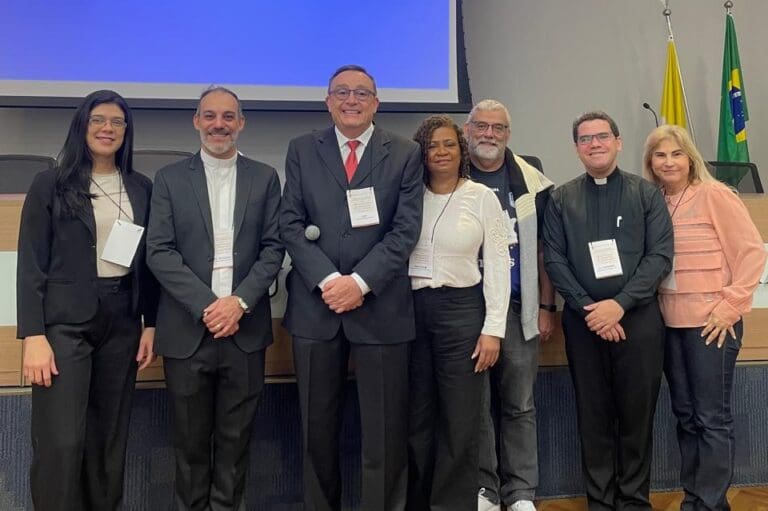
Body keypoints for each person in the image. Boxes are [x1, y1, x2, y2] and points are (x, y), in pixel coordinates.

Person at [279, 64, 423, 511]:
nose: (351, 100)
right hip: (315, 309)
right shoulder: (303, 149)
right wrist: (329, 281)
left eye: (362, 92)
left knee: (384, 433)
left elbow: (405, 230)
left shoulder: (403, 152)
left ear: (376, 102)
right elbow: (290, 222)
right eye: (341, 92)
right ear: (328, 101)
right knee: (316, 432)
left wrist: (359, 283)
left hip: (380, 308)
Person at [17, 89, 158, 511]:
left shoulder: (141, 187)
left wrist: (150, 323)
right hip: (64, 325)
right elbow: (31, 263)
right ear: (82, 125)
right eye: (98, 120)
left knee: (107, 439)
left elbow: (148, 261)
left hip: (122, 323)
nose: (107, 129)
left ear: (126, 132)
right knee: (62, 440)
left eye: (117, 122)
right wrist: (33, 335)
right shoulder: (51, 183)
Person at [146, 86, 283, 510]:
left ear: (241, 123)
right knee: (188, 443)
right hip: (189, 331)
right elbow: (159, 251)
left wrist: (237, 303)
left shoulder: (264, 177)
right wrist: (209, 305)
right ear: (196, 121)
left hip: (244, 330)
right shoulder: (169, 179)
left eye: (228, 117)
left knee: (236, 440)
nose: (218, 125)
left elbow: (273, 249)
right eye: (210, 116)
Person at [542, 111, 673, 510]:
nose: (594, 144)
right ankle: (599, 502)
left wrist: (618, 305)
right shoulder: (561, 198)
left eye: (602, 136)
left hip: (639, 321)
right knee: (593, 416)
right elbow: (555, 259)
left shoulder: (646, 193)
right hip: (584, 325)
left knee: (637, 419)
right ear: (577, 148)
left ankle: (633, 501)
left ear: (618, 142)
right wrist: (590, 310)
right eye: (585, 139)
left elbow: (659, 256)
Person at [642, 125, 766, 511]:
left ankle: (711, 505)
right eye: (660, 155)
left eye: (676, 154)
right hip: (670, 323)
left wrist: (728, 307)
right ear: (650, 163)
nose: (669, 162)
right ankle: (694, 499)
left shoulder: (714, 195)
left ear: (691, 158)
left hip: (712, 324)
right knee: (686, 416)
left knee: (711, 418)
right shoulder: (654, 201)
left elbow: (751, 253)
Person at [406, 114, 510, 510]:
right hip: (412, 312)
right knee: (417, 418)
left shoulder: (481, 197)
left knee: (460, 420)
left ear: (461, 149)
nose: (441, 152)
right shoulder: (408, 194)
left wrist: (493, 329)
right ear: (422, 152)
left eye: (449, 144)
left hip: (462, 313)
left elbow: (499, 264)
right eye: (432, 145)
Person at [465, 100, 555, 511]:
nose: (488, 134)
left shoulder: (532, 181)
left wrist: (548, 306)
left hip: (520, 309)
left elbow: (546, 250)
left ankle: (520, 493)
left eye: (497, 128)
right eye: (480, 126)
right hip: (466, 311)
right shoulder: (449, 175)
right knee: (475, 405)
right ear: (467, 131)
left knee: (520, 404)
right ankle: (485, 489)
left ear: (508, 134)